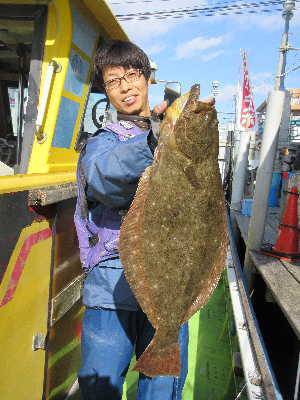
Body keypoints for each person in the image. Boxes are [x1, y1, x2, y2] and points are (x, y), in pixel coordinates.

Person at [75, 40, 189, 400]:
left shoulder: (174, 135)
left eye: (132, 75)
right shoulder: (100, 144)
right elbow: (104, 178)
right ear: (105, 92)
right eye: (113, 81)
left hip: (169, 289)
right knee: (100, 391)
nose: (125, 86)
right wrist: (153, 141)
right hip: (112, 289)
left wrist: (174, 130)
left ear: (148, 78)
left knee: (161, 391)